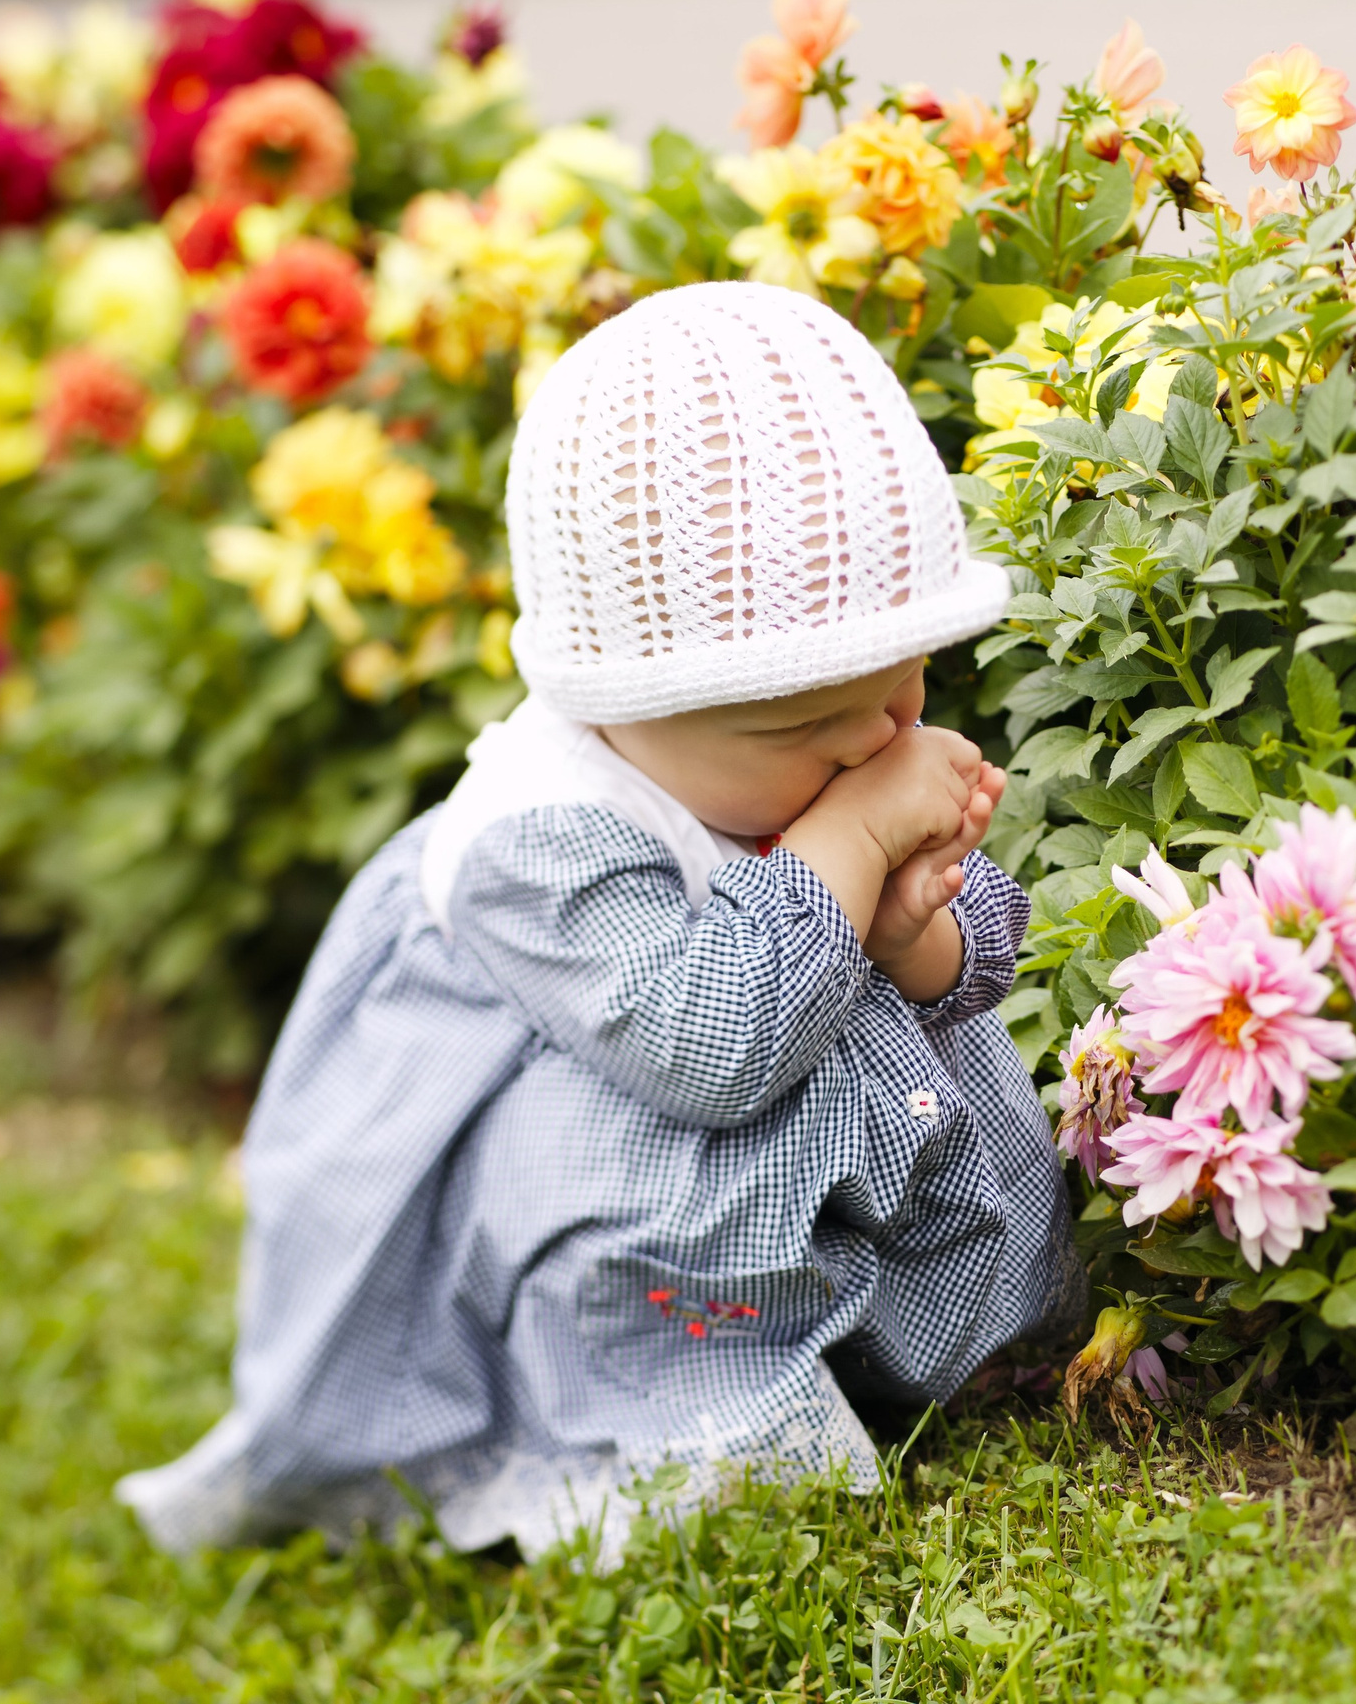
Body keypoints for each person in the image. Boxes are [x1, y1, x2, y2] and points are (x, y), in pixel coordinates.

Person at [120, 283, 1076, 1563]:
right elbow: (712, 1050)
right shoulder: (539, 841)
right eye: (804, 724)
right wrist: (848, 852)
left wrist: (911, 936)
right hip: (615, 1187)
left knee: (940, 1128)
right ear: (615, 707)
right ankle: (679, 1457)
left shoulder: (802, 761)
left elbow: (981, 961)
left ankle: (959, 1348)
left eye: (906, 685)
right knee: (632, 1243)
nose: (876, 743)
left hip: (790, 1133)